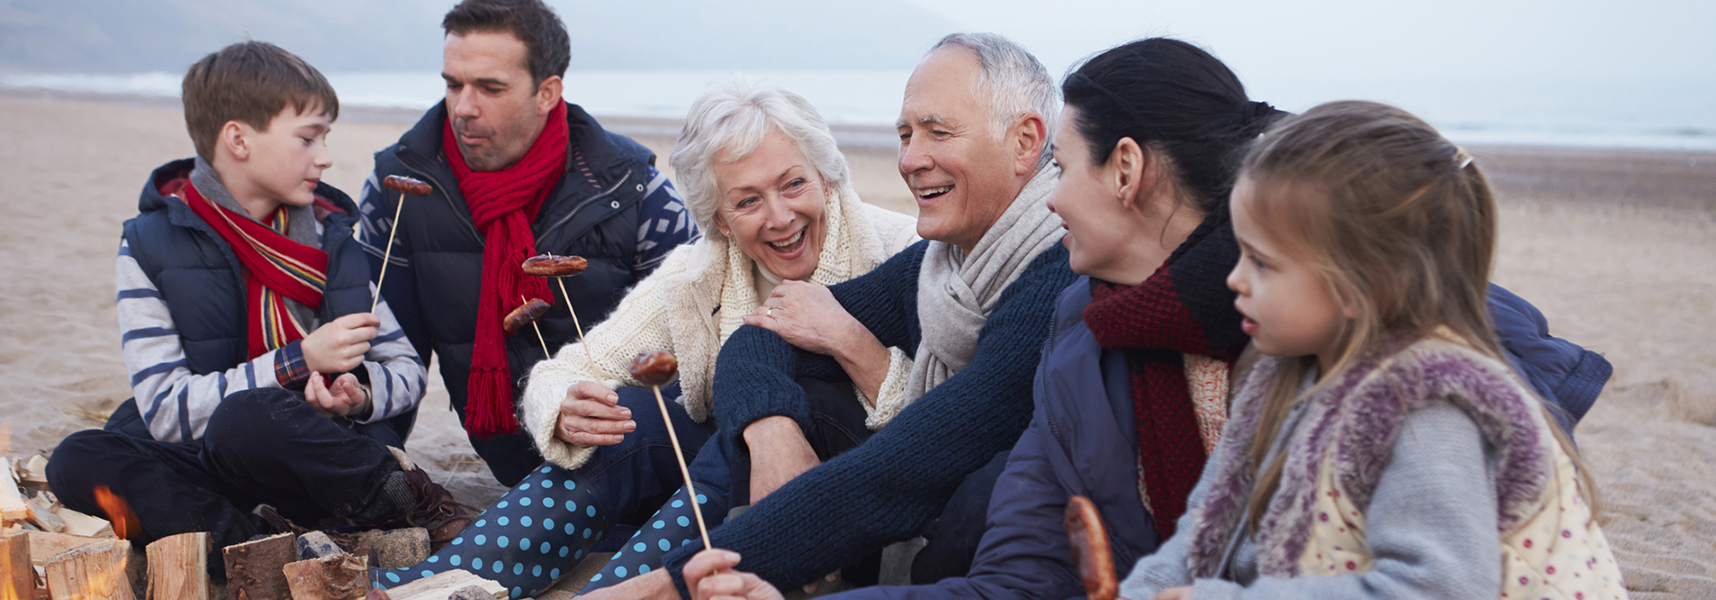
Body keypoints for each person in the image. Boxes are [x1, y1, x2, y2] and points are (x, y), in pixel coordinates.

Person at [680, 38, 1615, 600]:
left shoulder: (1390, 369)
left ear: (1123, 170)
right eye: (905, 132)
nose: (1050, 204)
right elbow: (1109, 568)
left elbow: (1427, 580)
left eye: (1065, 169)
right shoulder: (1084, 325)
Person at [577, 32, 1077, 599]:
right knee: (776, 412)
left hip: (1010, 555)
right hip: (904, 500)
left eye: (938, 131)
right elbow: (755, 340)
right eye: (906, 135)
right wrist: (773, 434)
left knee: (974, 489)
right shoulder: (940, 263)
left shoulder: (1062, 266)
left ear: (1025, 141)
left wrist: (671, 585)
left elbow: (912, 461)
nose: (911, 160)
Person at [373, 81, 920, 596]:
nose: (780, 217)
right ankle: (437, 586)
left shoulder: (900, 250)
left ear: (826, 178)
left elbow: (954, 417)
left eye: (794, 184)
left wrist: (847, 339)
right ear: (721, 220)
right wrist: (562, 407)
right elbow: (559, 371)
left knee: (740, 437)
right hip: (726, 489)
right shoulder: (695, 275)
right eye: (747, 200)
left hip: (864, 499)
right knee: (624, 416)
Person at [1116, 100, 1628, 599]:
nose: (1235, 279)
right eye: (1240, 254)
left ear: (1363, 284)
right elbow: (1204, 529)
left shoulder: (1425, 411)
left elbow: (1438, 588)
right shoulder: (1286, 375)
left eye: (1262, 262)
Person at [45, 41, 459, 578]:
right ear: (238, 139)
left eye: (326, 138)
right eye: (309, 138)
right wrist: (299, 359)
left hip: (320, 461)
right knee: (79, 457)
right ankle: (264, 552)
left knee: (248, 419)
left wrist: (357, 399)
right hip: (208, 461)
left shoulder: (337, 242)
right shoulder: (147, 247)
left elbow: (405, 371)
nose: (325, 157)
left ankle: (408, 505)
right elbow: (167, 411)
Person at [359, 0, 698, 487]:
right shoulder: (398, 186)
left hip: (620, 447)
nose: (463, 107)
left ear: (547, 93)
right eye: (453, 84)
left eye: (490, 88)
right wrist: (377, 479)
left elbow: (695, 336)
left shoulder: (634, 189)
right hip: (504, 459)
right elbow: (388, 350)